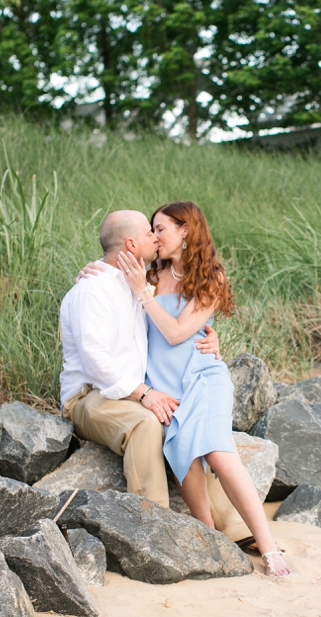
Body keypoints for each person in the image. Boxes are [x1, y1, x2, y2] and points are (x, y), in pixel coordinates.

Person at [116, 201, 292, 577]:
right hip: (162, 385)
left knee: (218, 453)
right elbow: (107, 270)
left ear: (185, 231)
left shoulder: (212, 277)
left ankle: (271, 548)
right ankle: (209, 537)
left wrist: (145, 297)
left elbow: (179, 333)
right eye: (151, 229)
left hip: (202, 376)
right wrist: (90, 272)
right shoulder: (150, 271)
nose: (154, 236)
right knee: (184, 454)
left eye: (160, 228)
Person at [59, 210, 248, 540]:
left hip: (131, 391)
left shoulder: (141, 280)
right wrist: (145, 393)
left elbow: (175, 318)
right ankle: (154, 530)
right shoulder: (93, 290)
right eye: (150, 233)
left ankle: (232, 527)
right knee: (147, 423)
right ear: (132, 244)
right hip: (90, 394)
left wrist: (208, 337)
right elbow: (94, 363)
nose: (155, 238)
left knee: (185, 421)